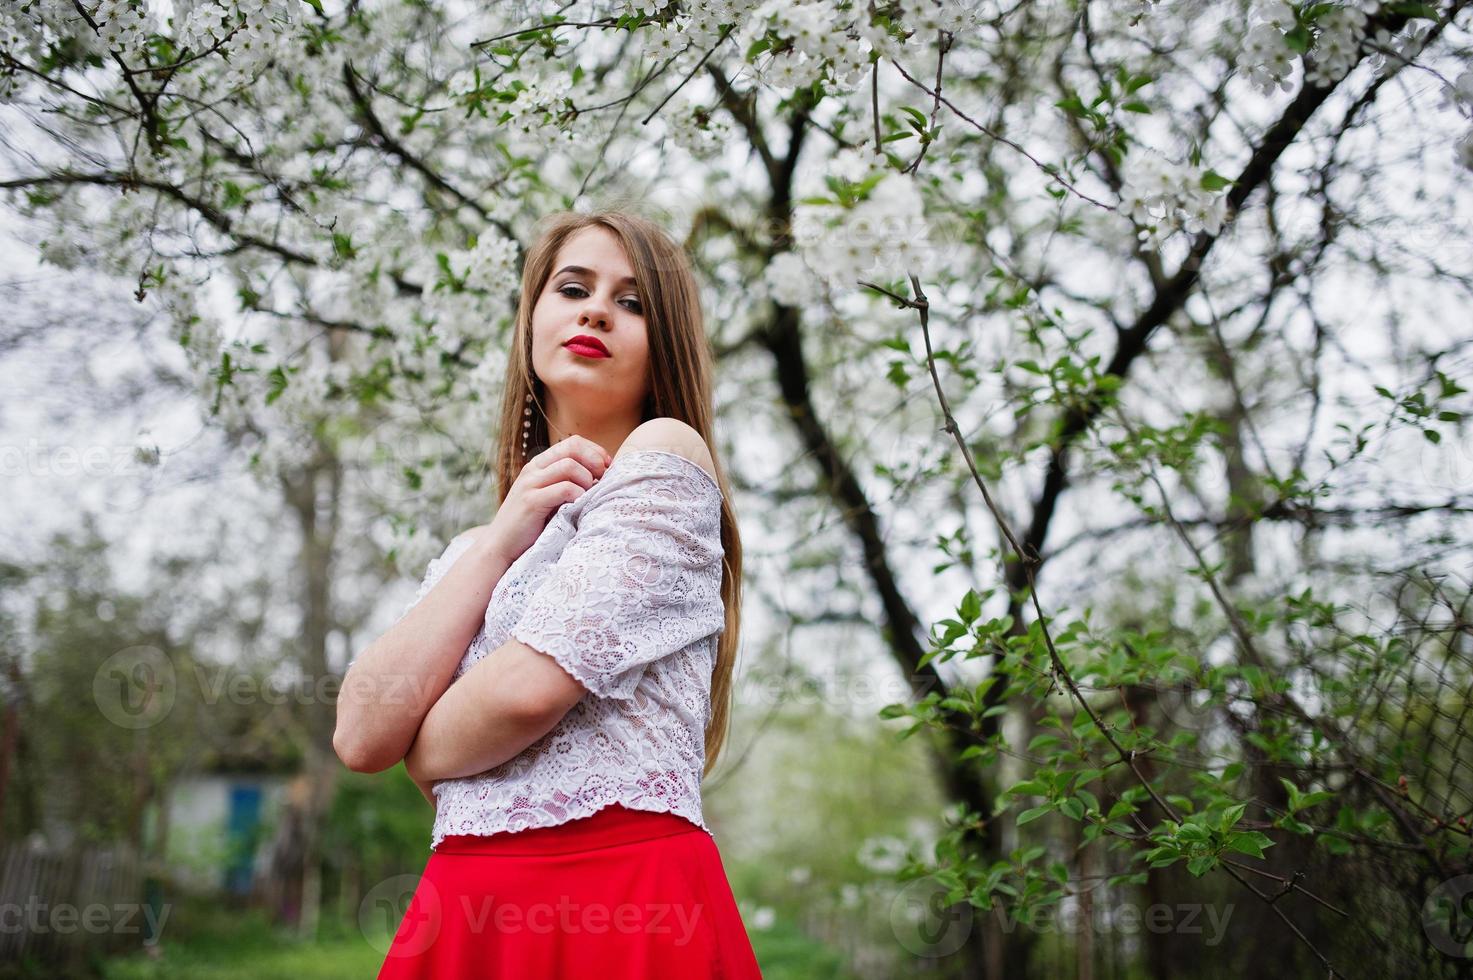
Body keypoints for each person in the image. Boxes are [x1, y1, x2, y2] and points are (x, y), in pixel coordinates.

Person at [334, 208, 762, 978]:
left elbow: (526, 693)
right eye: (573, 288)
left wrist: (425, 752)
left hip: (622, 896)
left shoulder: (666, 460)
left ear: (661, 345)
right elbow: (362, 735)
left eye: (632, 302)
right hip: (465, 908)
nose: (597, 308)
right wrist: (500, 539)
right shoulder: (476, 551)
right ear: (533, 319)